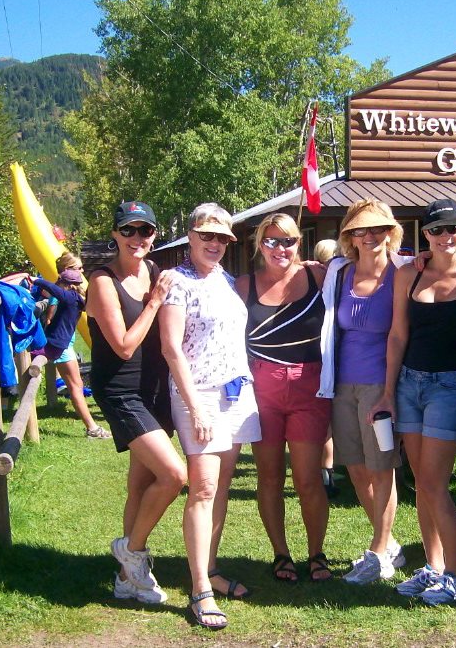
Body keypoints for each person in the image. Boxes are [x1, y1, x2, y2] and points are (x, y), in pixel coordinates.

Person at [372, 198, 456, 606]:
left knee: (432, 483)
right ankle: (434, 566)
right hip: (409, 383)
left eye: (454, 229)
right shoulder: (408, 273)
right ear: (423, 233)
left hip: (451, 385)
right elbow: (397, 335)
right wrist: (388, 391)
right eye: (436, 230)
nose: (446, 237)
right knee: (419, 483)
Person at [160, 204, 260, 629]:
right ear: (190, 236)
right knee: (202, 488)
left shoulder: (223, 279)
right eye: (207, 236)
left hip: (235, 392)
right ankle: (199, 587)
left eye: (222, 238)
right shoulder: (176, 283)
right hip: (196, 394)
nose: (214, 244)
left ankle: (212, 568)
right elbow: (171, 348)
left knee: (220, 489)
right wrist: (196, 406)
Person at [86, 201, 186, 605]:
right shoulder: (102, 281)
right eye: (128, 231)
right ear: (115, 234)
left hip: (155, 391)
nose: (137, 239)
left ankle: (127, 579)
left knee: (140, 484)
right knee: (174, 475)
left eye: (145, 231)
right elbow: (124, 346)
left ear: (154, 235)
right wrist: (154, 302)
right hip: (122, 392)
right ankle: (133, 552)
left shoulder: (155, 272)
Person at [235, 213, 332, 583]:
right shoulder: (243, 286)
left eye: (288, 240)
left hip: (310, 386)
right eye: (272, 240)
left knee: (308, 478)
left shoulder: (318, 276)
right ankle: (281, 554)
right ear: (260, 244)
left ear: (299, 243)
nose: (281, 248)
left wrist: (415, 259)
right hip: (262, 391)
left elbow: (367, 275)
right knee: (270, 476)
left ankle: (316, 552)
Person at [319, 199, 407, 584]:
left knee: (382, 466)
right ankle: (388, 545)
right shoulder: (338, 273)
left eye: (377, 229)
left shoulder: (404, 272)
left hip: (382, 387)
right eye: (360, 230)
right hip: (341, 385)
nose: (370, 237)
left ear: (390, 233)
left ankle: (378, 550)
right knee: (355, 466)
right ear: (349, 237)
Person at [33, 252, 111, 439]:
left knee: (76, 385)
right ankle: (92, 428)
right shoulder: (62, 294)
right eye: (78, 268)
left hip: (64, 343)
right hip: (60, 345)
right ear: (68, 271)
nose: (82, 271)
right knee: (76, 386)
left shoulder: (71, 294)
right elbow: (51, 311)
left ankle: (92, 426)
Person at [313, 238, 341, 498]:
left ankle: (327, 473)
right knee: (326, 423)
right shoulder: (321, 278)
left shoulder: (334, 277)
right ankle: (327, 474)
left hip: (332, 358)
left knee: (327, 424)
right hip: (326, 358)